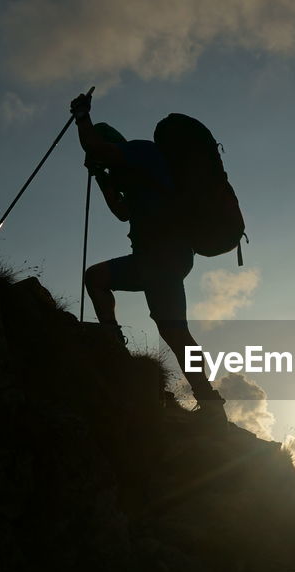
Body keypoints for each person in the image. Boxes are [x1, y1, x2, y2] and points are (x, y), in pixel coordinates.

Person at [69, 92, 226, 421]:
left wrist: (82, 116)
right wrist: (101, 177)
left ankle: (207, 400)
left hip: (161, 256)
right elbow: (122, 212)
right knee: (171, 328)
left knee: (171, 328)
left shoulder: (139, 151)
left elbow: (95, 147)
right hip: (165, 257)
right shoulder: (134, 170)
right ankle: (207, 400)